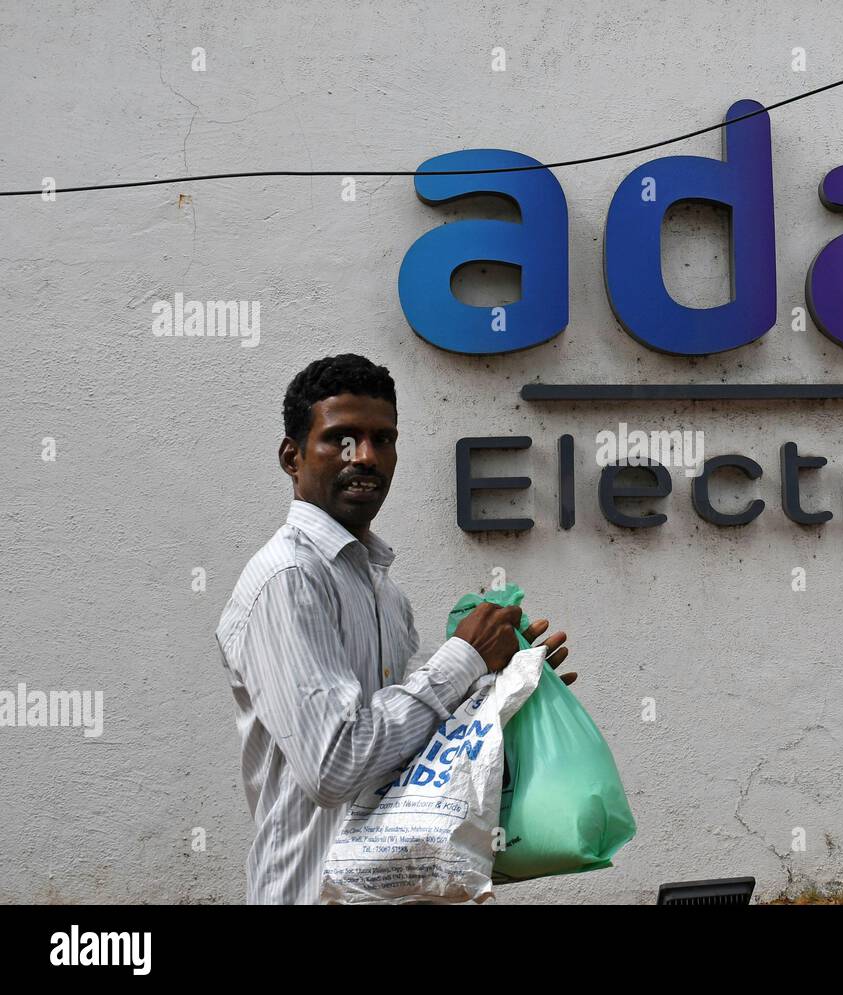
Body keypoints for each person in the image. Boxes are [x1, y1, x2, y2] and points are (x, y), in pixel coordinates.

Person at [215, 353, 574, 904]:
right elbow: (335, 767)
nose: (365, 457)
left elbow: (398, 757)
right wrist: (463, 659)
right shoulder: (288, 580)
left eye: (383, 439)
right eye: (342, 439)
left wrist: (503, 695)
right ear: (292, 456)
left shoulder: (383, 591)